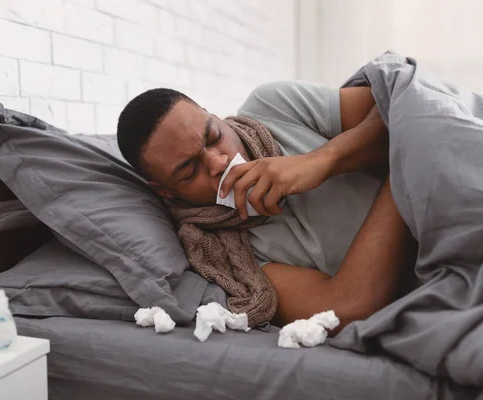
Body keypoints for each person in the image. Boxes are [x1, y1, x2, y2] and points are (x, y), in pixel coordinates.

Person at [116, 81, 417, 331]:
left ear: (214, 116)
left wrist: (322, 161)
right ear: (166, 192)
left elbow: (402, 106)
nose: (219, 162)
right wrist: (402, 177)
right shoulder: (226, 254)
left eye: (213, 136)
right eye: (189, 171)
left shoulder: (272, 106)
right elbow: (347, 308)